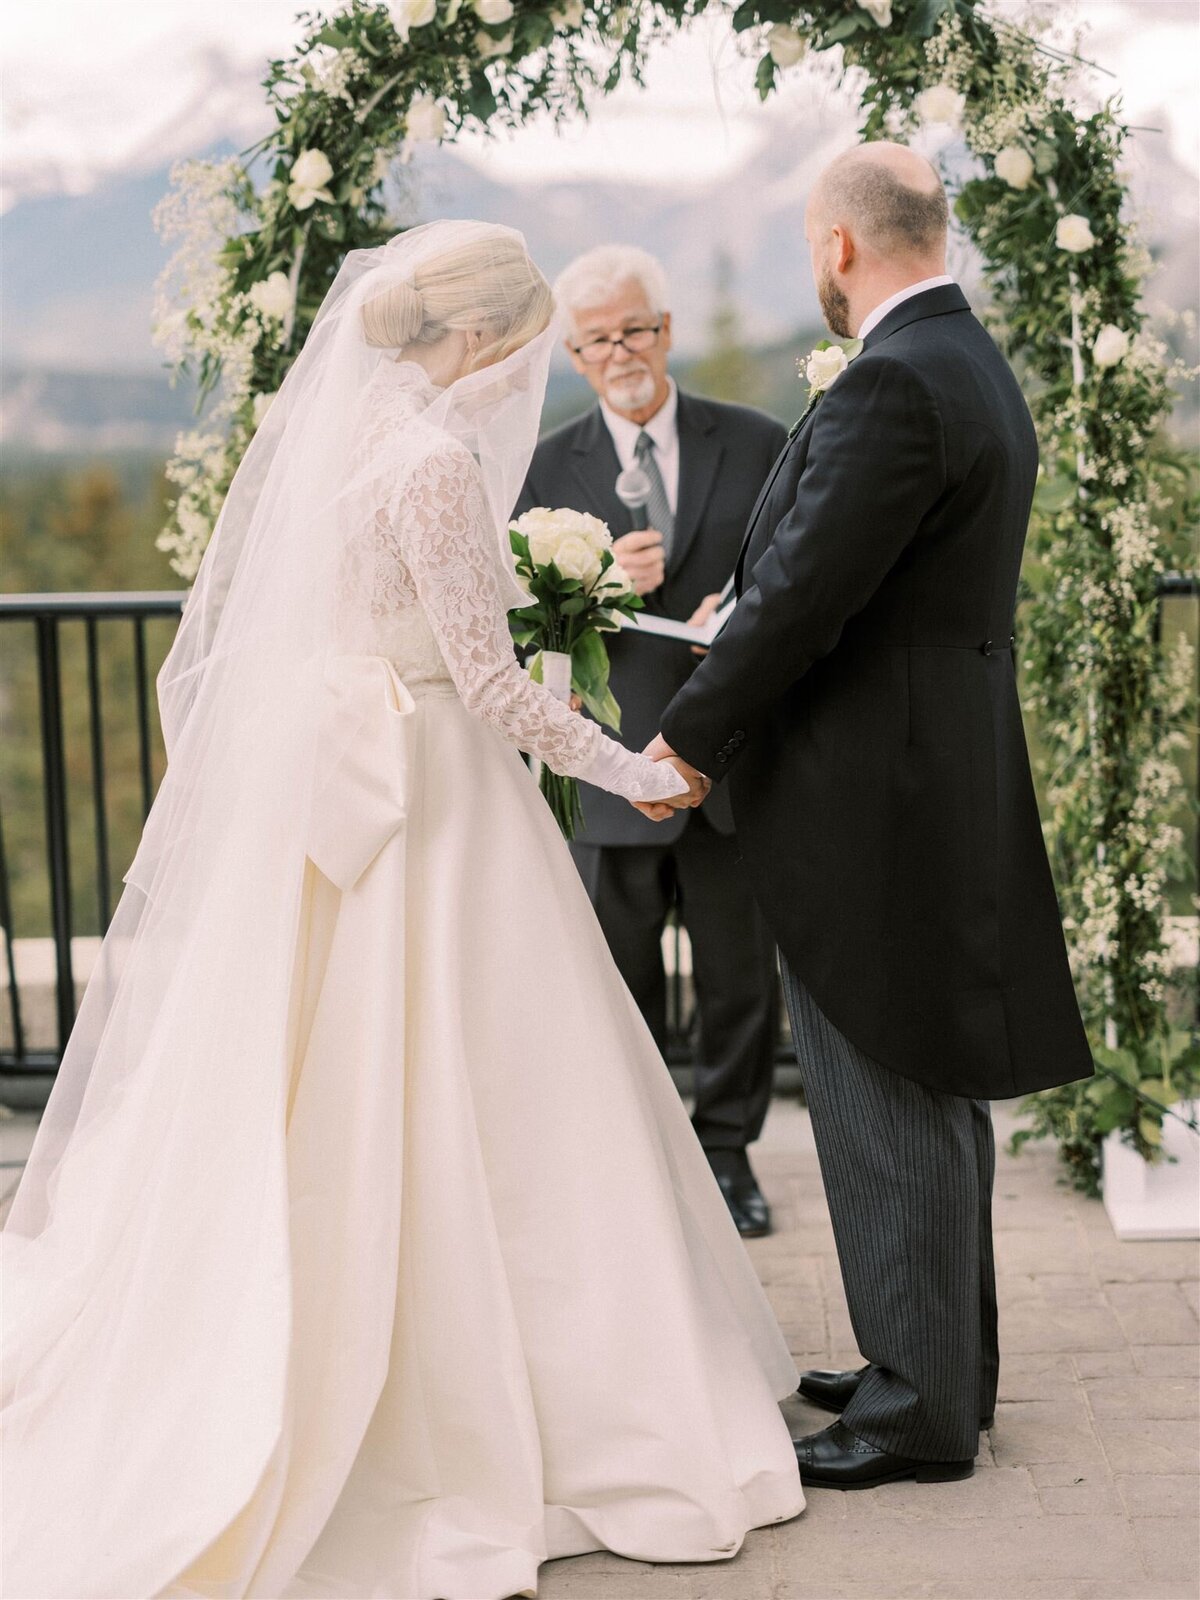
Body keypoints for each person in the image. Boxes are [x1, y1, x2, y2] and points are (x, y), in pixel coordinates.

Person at [0, 222, 804, 1600]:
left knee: (354, 1083)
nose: (524, 377)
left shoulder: (361, 440)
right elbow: (488, 689)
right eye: (527, 343)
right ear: (487, 338)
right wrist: (635, 767)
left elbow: (389, 622)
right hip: (431, 796)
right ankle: (489, 1392)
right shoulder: (431, 462)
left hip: (353, 788)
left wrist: (556, 594)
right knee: (490, 1080)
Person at [648, 143, 1094, 1490]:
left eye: (807, 247)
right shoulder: (967, 358)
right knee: (924, 1090)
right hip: (925, 782)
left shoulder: (896, 379)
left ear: (840, 243)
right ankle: (941, 1366)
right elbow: (842, 570)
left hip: (872, 804)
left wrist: (688, 731)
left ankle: (917, 1410)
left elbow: (805, 603)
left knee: (882, 1087)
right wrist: (748, 605)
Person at [517, 245, 785, 1238]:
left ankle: (727, 1158)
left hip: (726, 765)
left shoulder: (758, 441)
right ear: (575, 358)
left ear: (665, 331)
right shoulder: (541, 466)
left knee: (737, 984)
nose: (619, 350)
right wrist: (594, 589)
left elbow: (801, 569)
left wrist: (745, 607)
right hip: (608, 769)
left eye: (634, 328)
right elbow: (507, 625)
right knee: (613, 987)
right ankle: (635, 1163)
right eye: (595, 339)